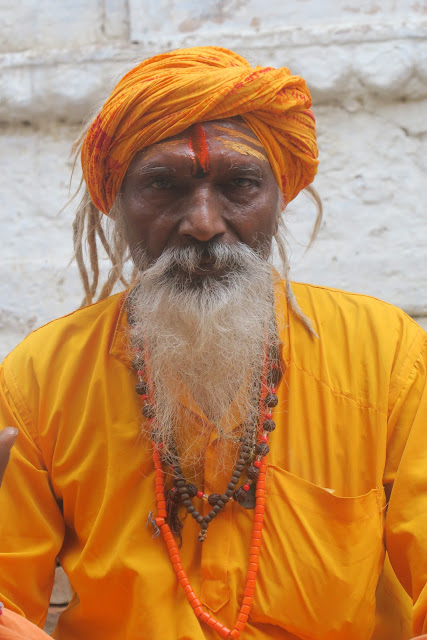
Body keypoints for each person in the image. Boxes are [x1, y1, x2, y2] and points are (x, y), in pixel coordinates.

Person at [0, 46, 426, 640]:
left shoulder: (385, 354)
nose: (203, 222)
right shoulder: (41, 377)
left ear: (279, 196)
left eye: (240, 184)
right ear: (115, 202)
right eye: (162, 185)